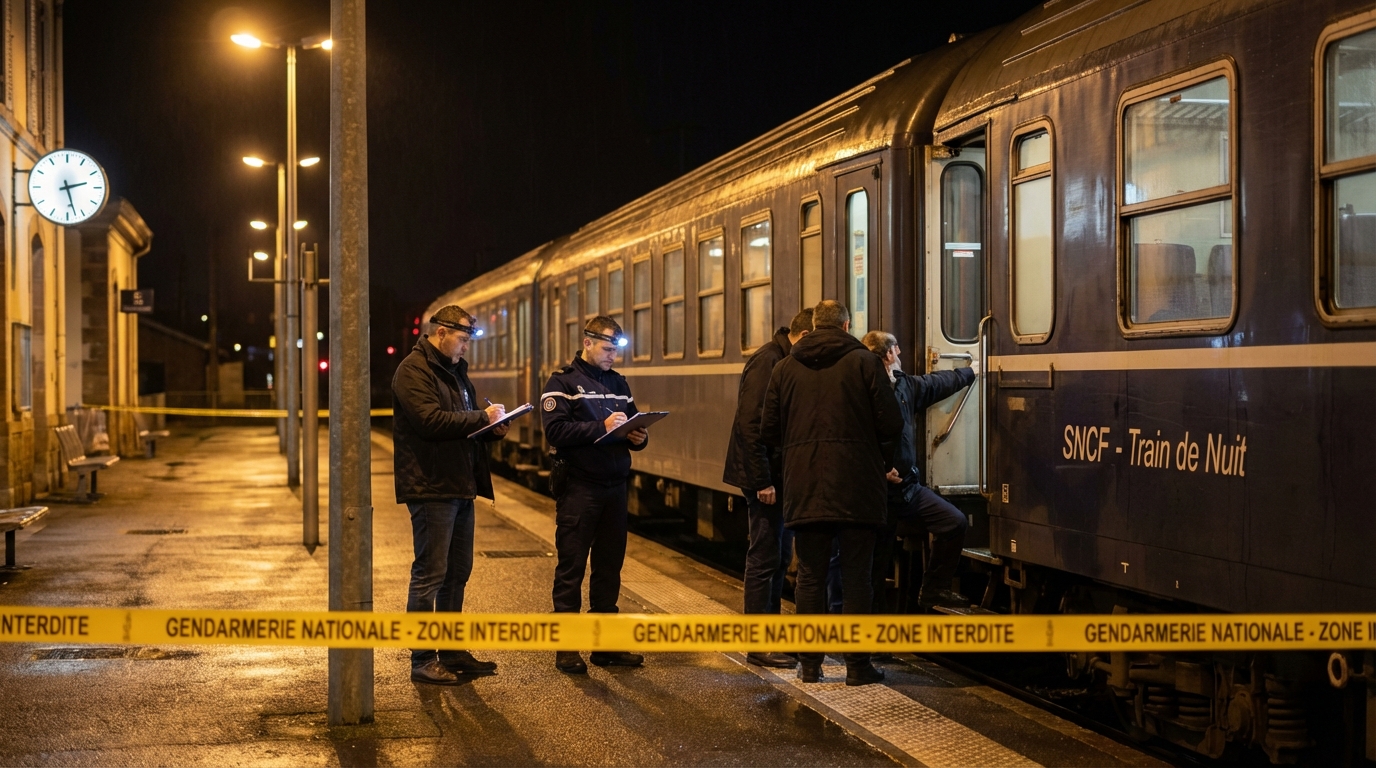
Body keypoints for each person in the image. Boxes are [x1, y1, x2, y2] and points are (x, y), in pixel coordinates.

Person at [760, 300, 902, 686]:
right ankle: (857, 666)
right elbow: (892, 422)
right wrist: (877, 457)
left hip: (805, 485)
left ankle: (810, 665)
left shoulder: (785, 368)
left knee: (809, 577)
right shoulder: (865, 363)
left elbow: (769, 429)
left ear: (812, 325)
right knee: (857, 578)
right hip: (858, 485)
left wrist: (798, 449)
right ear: (845, 326)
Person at [392, 305, 510, 685]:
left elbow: (466, 425)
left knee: (457, 572)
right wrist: (481, 418)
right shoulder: (413, 371)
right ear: (440, 333)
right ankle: (423, 659)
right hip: (431, 486)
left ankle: (452, 651)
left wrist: (493, 429)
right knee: (429, 575)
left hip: (459, 484)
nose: (465, 348)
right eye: (462, 339)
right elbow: (429, 422)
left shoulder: (457, 373)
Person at [541, 316, 650, 674]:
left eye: (616, 350)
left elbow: (632, 422)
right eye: (606, 349)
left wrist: (639, 437)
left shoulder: (618, 383)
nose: (612, 357)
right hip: (579, 487)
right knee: (571, 567)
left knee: (609, 568)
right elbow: (556, 431)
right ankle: (566, 648)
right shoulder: (561, 383)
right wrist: (599, 427)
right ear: (587, 343)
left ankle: (605, 646)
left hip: (614, 488)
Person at [861, 331, 978, 614]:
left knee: (953, 522)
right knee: (875, 566)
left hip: (907, 489)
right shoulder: (861, 391)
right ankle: (871, 627)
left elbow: (936, 383)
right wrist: (878, 472)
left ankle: (934, 589)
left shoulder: (903, 385)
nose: (900, 354)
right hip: (876, 493)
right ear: (888, 354)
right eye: (896, 349)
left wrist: (970, 372)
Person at [723, 307, 812, 669]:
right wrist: (762, 480)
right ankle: (758, 644)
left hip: (776, 476)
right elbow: (751, 424)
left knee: (778, 556)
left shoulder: (783, 358)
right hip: (764, 478)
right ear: (804, 336)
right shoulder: (768, 361)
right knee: (765, 557)